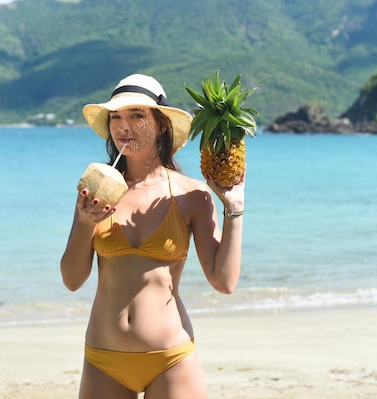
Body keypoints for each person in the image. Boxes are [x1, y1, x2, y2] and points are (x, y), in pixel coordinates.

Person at [60, 73, 245, 399]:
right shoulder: (96, 190)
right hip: (104, 360)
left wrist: (234, 207)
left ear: (161, 124)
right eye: (115, 116)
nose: (122, 126)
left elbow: (224, 282)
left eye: (137, 115)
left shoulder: (192, 195)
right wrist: (85, 222)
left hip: (170, 359)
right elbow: (72, 280)